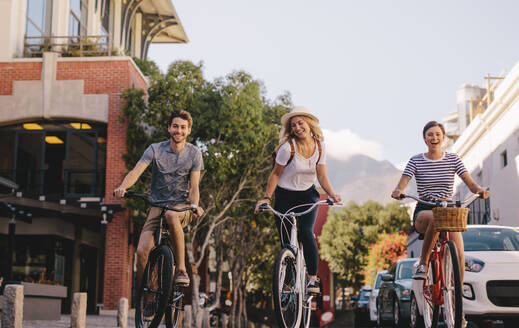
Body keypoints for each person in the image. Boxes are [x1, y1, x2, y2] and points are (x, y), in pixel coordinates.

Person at [391, 121, 488, 326]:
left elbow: (470, 182)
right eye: (429, 135)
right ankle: (424, 265)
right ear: (424, 138)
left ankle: (457, 305)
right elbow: (403, 181)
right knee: (435, 216)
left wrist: (479, 190)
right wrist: (398, 190)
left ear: (443, 137)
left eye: (437, 134)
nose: (434, 138)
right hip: (424, 211)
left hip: (448, 211)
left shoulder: (453, 159)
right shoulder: (416, 160)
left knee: (459, 253)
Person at [114, 109, 204, 291]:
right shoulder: (155, 149)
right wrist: (124, 186)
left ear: (188, 131)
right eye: (175, 126)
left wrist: (194, 205)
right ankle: (148, 295)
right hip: (157, 205)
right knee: (141, 253)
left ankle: (181, 270)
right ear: (169, 128)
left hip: (182, 207)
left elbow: (194, 187)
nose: (179, 131)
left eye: (183, 128)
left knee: (171, 215)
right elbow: (136, 171)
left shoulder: (194, 153)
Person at [255, 106, 341, 294]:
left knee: (306, 232)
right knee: (286, 243)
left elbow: (322, 175)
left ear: (309, 124)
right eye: (293, 125)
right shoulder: (287, 148)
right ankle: (287, 281)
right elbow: (276, 174)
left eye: (300, 123)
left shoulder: (320, 146)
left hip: (307, 195)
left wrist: (332, 194)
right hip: (285, 196)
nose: (297, 127)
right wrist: (266, 198)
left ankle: (312, 279)